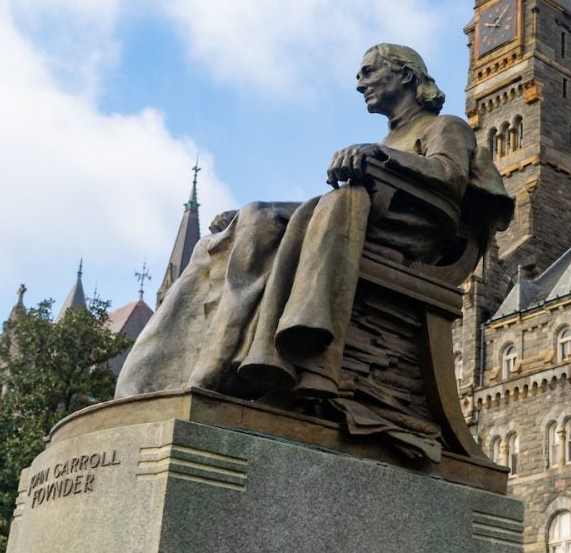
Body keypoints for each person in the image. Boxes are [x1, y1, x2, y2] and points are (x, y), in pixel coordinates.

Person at [117, 44, 510, 429]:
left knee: (285, 214)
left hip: (407, 239)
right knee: (240, 226)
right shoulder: (391, 139)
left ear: (406, 75)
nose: (360, 84)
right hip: (362, 225)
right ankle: (158, 376)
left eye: (370, 71)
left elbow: (450, 174)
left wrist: (378, 157)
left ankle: (237, 361)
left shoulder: (446, 126)